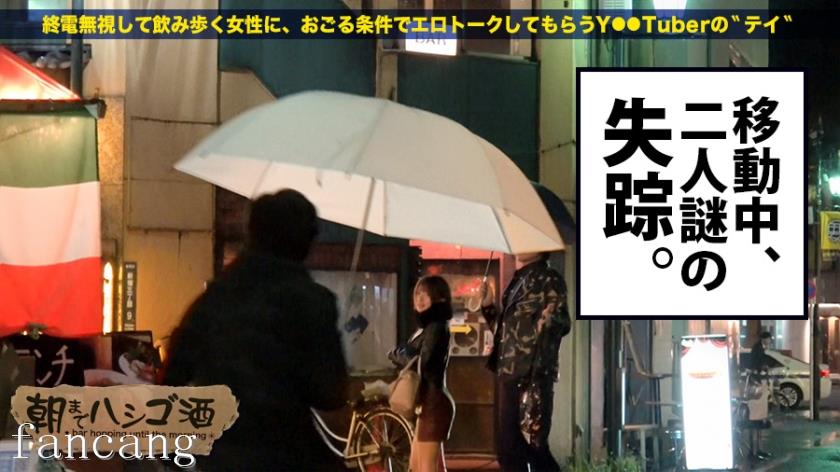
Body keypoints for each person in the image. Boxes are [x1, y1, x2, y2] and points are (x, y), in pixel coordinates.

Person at [163, 189, 348, 471]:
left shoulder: (216, 297)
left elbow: (174, 373)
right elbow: (330, 393)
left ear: (252, 234)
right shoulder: (313, 302)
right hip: (286, 455)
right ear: (303, 242)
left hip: (219, 455)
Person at [480, 252, 571, 472]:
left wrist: (549, 320)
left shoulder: (549, 278)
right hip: (509, 371)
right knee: (510, 447)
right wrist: (488, 306)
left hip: (532, 372)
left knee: (533, 445)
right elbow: (506, 331)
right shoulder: (518, 279)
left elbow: (563, 322)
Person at [388, 276, 456, 472]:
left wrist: (398, 354)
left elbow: (423, 362)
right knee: (418, 466)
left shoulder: (436, 327)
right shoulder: (428, 327)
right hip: (428, 403)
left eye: (426, 294)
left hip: (434, 403)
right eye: (417, 293)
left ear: (440, 298)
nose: (419, 298)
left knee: (424, 467)